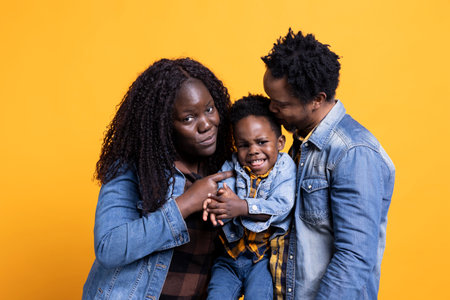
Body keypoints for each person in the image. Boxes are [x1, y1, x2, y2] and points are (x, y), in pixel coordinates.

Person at [82, 57, 234, 300]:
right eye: (188, 118)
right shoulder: (133, 168)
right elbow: (109, 247)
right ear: (163, 125)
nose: (206, 124)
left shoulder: (228, 168)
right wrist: (186, 203)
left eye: (209, 109)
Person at [262, 29, 396, 300]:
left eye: (280, 104)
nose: (271, 110)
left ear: (317, 100)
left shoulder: (353, 153)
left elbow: (354, 256)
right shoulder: (301, 141)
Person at [202, 95, 296, 300]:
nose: (253, 151)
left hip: (262, 259)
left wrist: (242, 207)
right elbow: (219, 192)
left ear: (280, 142)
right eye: (244, 145)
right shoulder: (233, 164)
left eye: (262, 142)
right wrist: (213, 204)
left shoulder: (285, 168)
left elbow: (281, 206)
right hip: (229, 256)